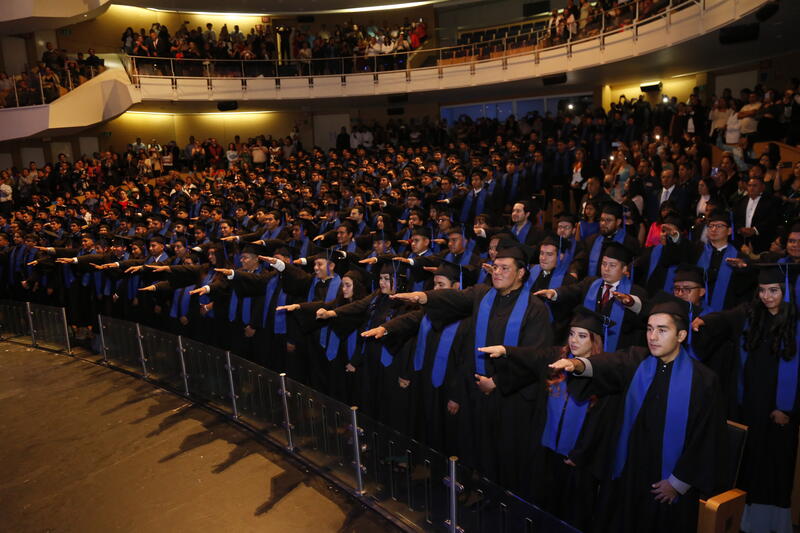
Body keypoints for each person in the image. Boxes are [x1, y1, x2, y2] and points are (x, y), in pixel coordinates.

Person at [550, 299, 727, 533]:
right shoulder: (637, 361)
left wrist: (677, 483)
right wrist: (577, 364)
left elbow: (706, 438)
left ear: (681, 335)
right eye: (649, 329)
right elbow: (607, 364)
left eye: (662, 330)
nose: (652, 337)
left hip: (666, 484)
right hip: (628, 474)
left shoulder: (704, 381)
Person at [392, 243, 554, 494]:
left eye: (504, 268)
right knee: (477, 446)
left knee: (505, 454)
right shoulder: (482, 295)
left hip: (512, 399)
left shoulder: (536, 309)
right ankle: (477, 491)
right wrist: (423, 297)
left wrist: (497, 382)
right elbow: (456, 297)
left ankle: (500, 501)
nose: (497, 272)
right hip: (476, 390)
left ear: (521, 273)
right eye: (495, 267)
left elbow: (537, 356)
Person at [477, 307, 621, 532]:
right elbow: (532, 355)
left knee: (572, 513)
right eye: (572, 334)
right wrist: (506, 350)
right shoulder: (557, 357)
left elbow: (603, 423)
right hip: (546, 450)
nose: (574, 340)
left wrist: (581, 454)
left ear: (595, 340)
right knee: (543, 507)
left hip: (577, 461)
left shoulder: (604, 371)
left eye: (582, 336)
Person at [693, 264, 800, 533]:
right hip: (750, 404)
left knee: (774, 467)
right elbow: (725, 318)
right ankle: (744, 521)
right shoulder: (751, 314)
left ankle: (773, 524)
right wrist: (704, 320)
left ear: (786, 291)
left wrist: (788, 409)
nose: (767, 296)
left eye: (774, 290)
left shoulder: (797, 324)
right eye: (762, 290)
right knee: (748, 463)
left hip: (779, 412)